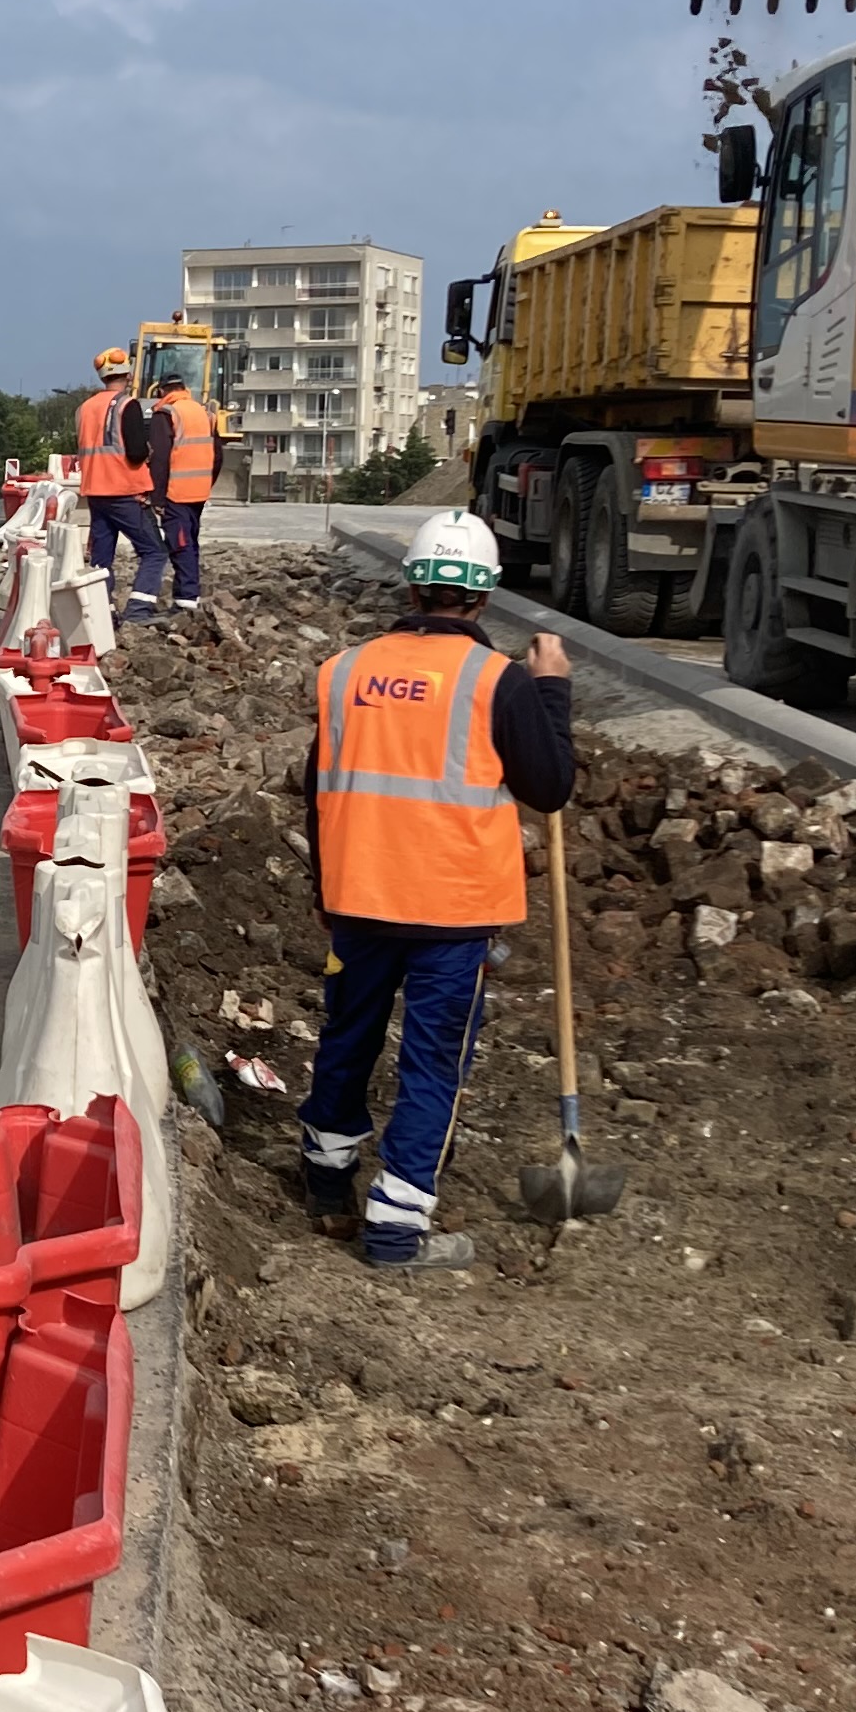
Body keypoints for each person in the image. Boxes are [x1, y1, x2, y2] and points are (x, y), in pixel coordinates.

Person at [294, 508, 575, 1274]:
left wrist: (324, 886)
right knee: (431, 1063)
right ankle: (395, 1228)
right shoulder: (497, 681)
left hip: (358, 895)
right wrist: (552, 690)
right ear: (484, 595)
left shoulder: (345, 671)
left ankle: (326, 1182)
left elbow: (318, 787)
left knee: (348, 1036)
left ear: (412, 586)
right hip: (452, 908)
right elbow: (550, 787)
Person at [72, 346, 168, 621]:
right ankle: (138, 611)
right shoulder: (127, 405)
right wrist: (147, 451)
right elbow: (135, 452)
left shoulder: (85, 408)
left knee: (101, 559)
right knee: (154, 552)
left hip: (96, 492)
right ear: (129, 375)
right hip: (125, 491)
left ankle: (103, 613)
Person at [152, 366, 219, 609]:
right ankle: (189, 595)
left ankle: (186, 599)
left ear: (162, 391)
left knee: (180, 545)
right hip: (198, 492)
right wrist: (206, 482)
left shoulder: (166, 413)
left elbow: (160, 458)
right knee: (190, 542)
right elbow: (218, 456)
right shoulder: (204, 413)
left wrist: (157, 498)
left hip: (177, 493)